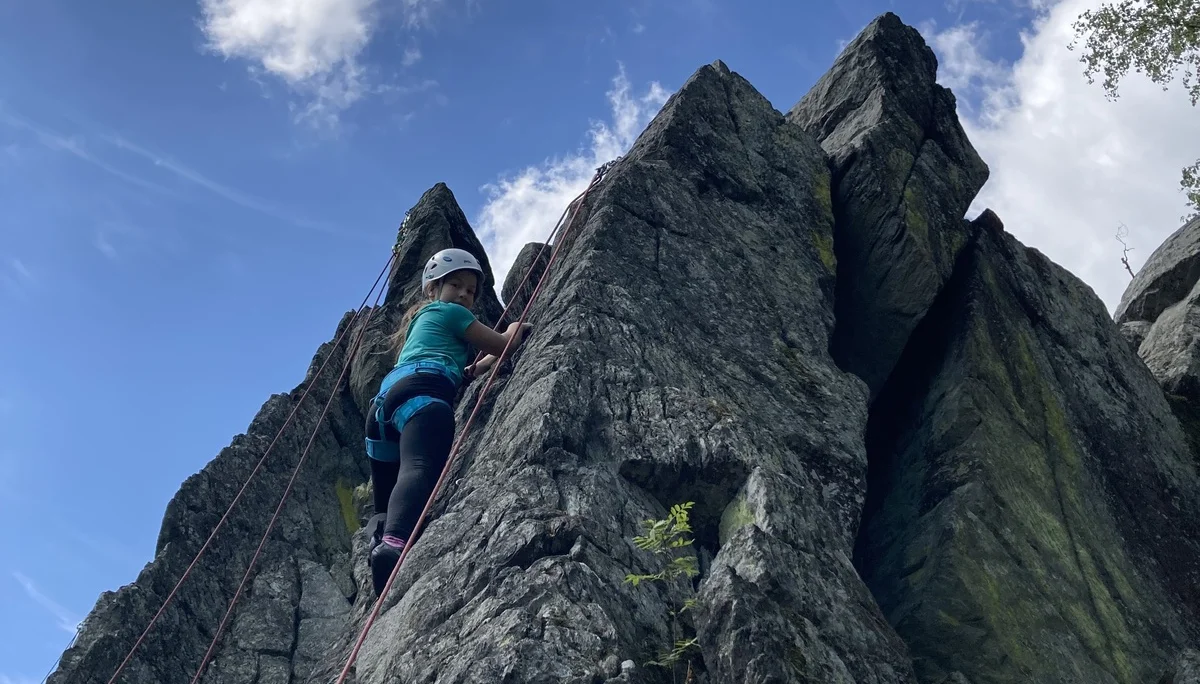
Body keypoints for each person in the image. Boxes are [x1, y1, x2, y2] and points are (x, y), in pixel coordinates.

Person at [363, 247, 531, 595]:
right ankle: (393, 546)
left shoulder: (422, 323)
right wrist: (515, 326)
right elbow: (503, 345)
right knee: (419, 467)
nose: (464, 295)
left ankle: (380, 540)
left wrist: (477, 368)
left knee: (386, 496)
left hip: (384, 408)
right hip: (424, 398)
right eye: (456, 285)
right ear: (432, 289)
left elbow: (458, 370)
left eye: (470, 291)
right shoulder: (452, 313)